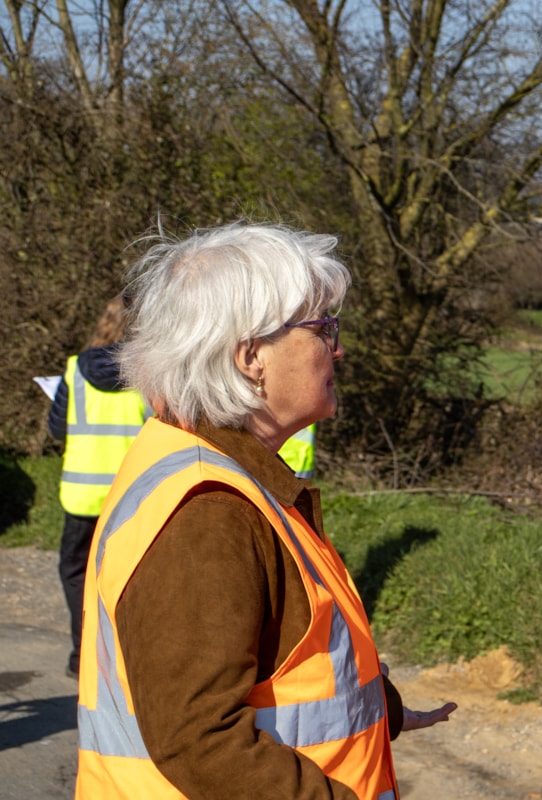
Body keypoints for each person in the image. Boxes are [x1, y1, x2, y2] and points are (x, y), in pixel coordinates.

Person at [75, 222, 456, 799]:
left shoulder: (220, 474)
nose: (339, 346)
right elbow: (201, 740)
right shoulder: (205, 512)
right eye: (323, 328)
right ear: (251, 356)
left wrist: (383, 708)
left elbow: (284, 661)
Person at [47, 294, 150, 680]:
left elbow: (57, 428)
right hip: (129, 496)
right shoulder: (147, 375)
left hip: (81, 493)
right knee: (126, 576)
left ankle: (83, 655)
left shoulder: (74, 371)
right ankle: (125, 656)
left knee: (75, 572)